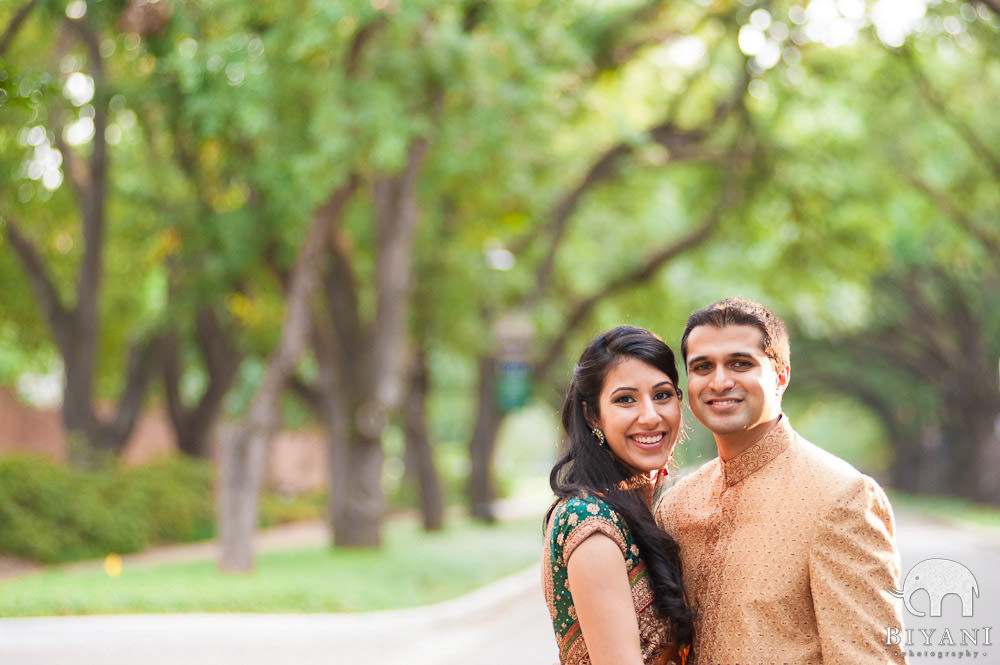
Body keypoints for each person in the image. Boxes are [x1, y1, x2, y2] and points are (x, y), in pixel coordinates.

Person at [656, 297, 907, 664]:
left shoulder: (841, 498)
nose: (720, 381)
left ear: (781, 376)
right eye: (703, 366)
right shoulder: (678, 505)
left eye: (740, 363)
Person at [544, 326, 693, 665]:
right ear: (593, 414)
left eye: (662, 395)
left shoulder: (648, 506)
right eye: (625, 399)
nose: (650, 416)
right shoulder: (589, 520)